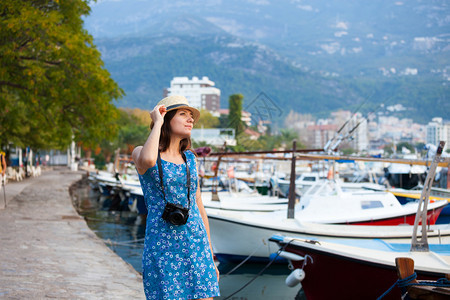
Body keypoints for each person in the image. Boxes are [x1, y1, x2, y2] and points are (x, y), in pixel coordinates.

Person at [132, 95, 220, 300]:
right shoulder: (141, 152)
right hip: (163, 246)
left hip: (196, 245)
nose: (190, 120)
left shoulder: (190, 158)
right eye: (183, 114)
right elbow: (148, 159)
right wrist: (157, 122)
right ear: (166, 118)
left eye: (191, 116)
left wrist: (210, 255)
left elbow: (199, 206)